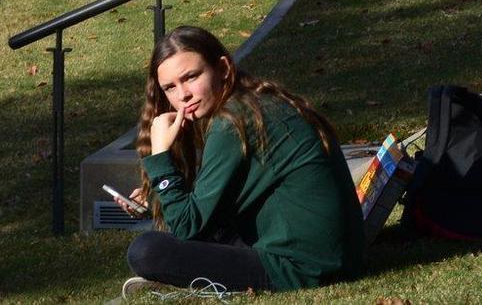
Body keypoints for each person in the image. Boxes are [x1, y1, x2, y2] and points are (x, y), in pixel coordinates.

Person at [117, 26, 365, 294]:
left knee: (146, 251)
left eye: (191, 77)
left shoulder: (232, 123)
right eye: (170, 88)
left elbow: (188, 227)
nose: (182, 95)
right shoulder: (250, 104)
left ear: (222, 68)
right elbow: (206, 209)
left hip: (301, 267)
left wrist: (161, 156)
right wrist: (157, 194)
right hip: (332, 256)